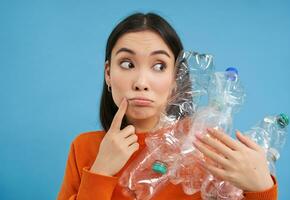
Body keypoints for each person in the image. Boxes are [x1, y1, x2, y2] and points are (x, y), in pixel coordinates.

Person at [57, 12, 277, 200]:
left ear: (176, 79)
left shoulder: (203, 146)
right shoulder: (84, 148)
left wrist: (261, 188)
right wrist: (100, 172)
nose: (141, 83)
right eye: (127, 64)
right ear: (108, 73)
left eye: (159, 66)